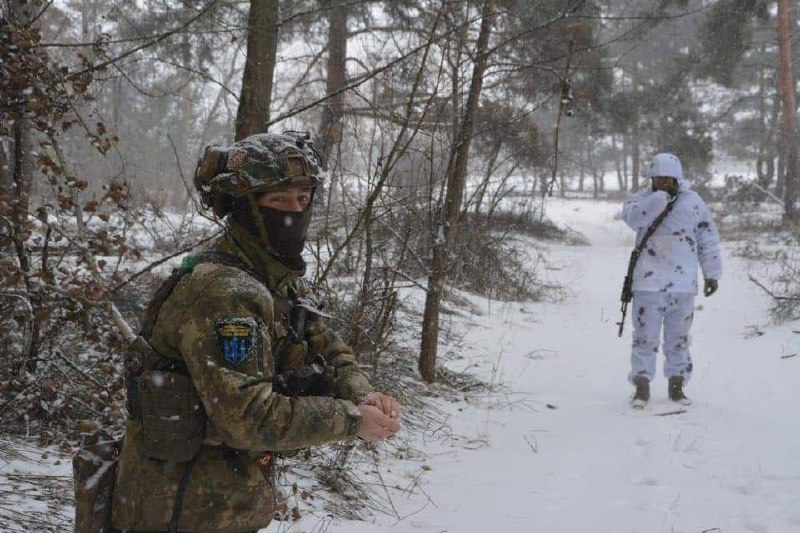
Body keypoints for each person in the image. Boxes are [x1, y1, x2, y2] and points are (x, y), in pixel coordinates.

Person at [111, 131, 401, 532]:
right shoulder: (225, 292)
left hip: (224, 504)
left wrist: (362, 393)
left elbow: (329, 350)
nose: (294, 211)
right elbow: (247, 417)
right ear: (243, 207)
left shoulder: (276, 281)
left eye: (302, 199)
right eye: (278, 200)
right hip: (179, 511)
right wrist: (351, 420)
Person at [621, 152, 722, 409]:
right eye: (659, 179)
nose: (664, 183)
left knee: (679, 339)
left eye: (669, 179)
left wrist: (712, 273)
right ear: (651, 179)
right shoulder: (641, 200)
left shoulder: (693, 202)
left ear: (679, 178)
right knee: (645, 338)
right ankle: (641, 388)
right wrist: (657, 200)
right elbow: (633, 220)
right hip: (648, 284)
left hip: (683, 285)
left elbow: (707, 238)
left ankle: (677, 387)